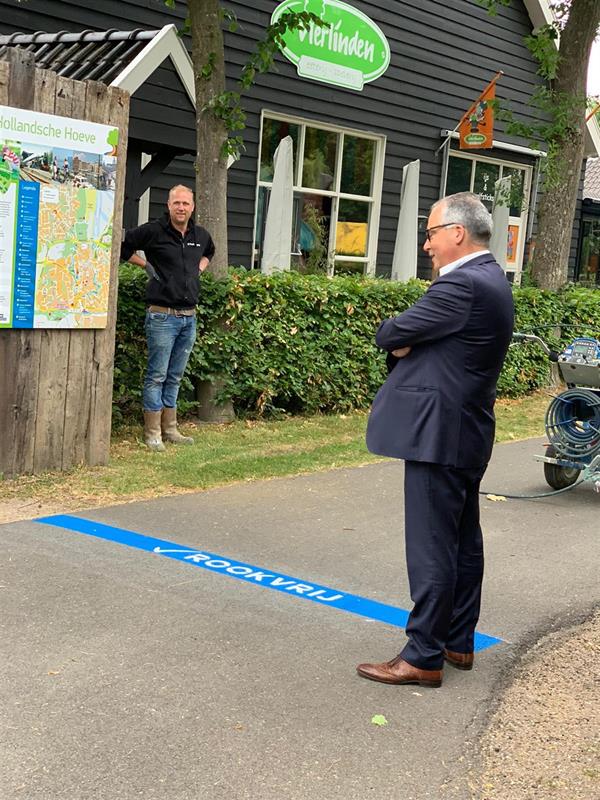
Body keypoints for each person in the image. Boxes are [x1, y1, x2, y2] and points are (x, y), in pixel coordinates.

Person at [357, 192, 514, 689]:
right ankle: (457, 641)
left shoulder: (460, 285)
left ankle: (423, 654)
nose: (427, 244)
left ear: (457, 234)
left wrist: (401, 336)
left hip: (438, 435)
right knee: (463, 541)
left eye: (430, 233)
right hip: (466, 430)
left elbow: (392, 333)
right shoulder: (493, 280)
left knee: (432, 547)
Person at [120, 184, 215, 451]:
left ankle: (170, 429)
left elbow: (210, 251)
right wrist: (146, 266)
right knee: (157, 376)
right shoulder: (153, 231)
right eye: (177, 203)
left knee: (175, 376)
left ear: (192, 206)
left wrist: (200, 268)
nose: (181, 207)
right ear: (168, 205)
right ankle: (152, 433)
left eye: (185, 203)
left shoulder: (200, 234)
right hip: (162, 317)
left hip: (189, 319)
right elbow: (123, 247)